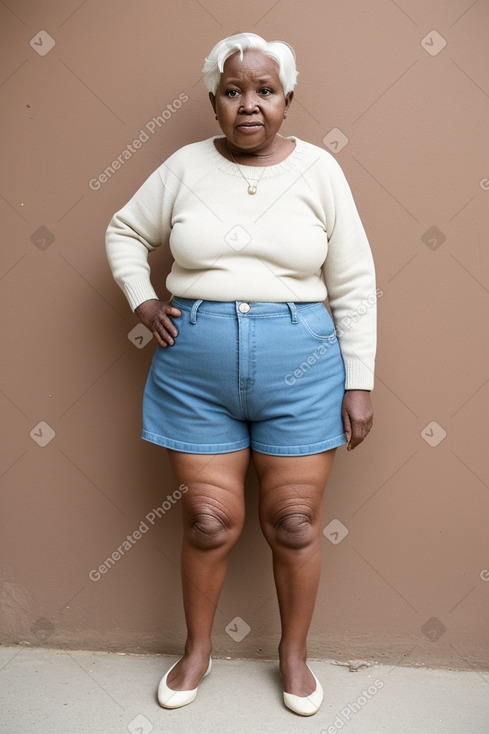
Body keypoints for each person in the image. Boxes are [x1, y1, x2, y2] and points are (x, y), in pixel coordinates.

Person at [105, 32, 377, 716]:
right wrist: (142, 297)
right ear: (213, 102)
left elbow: (354, 282)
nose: (248, 105)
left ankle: (292, 656)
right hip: (195, 368)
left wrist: (358, 381)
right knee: (206, 520)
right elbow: (124, 231)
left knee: (292, 521)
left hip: (303, 362)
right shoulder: (184, 166)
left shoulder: (318, 171)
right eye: (233, 92)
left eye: (264, 91)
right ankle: (197, 650)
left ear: (287, 99)